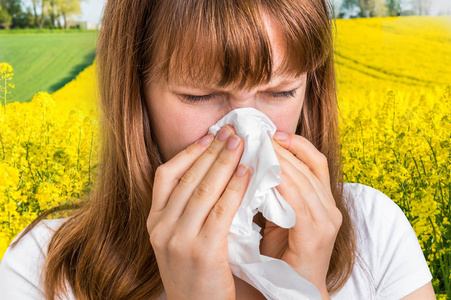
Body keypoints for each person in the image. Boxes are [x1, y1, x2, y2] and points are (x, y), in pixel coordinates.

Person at [0, 0, 436, 299]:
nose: (245, 136)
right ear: (136, 95)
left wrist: (302, 289)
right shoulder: (45, 268)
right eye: (199, 96)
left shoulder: (374, 232)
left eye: (281, 92)